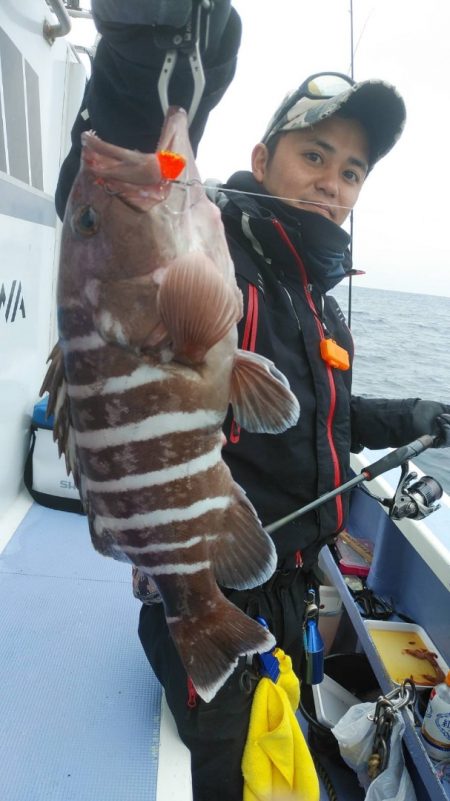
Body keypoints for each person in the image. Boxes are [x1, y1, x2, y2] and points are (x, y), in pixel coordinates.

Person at [55, 2, 450, 799]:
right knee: (234, 776)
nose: (332, 182)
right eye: (315, 154)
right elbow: (114, 181)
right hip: (215, 576)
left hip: (290, 581)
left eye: (351, 171)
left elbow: (321, 418)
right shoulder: (220, 246)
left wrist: (414, 416)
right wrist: (142, 58)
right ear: (262, 158)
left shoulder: (315, 299)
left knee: (284, 749)